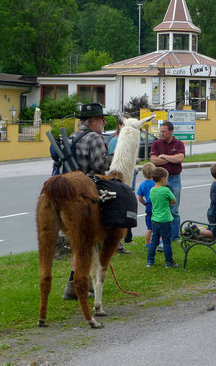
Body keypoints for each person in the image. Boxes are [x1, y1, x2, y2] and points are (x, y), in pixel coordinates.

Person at [63, 103, 114, 300]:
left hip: (67, 193)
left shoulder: (71, 137)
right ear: (93, 121)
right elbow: (101, 165)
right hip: (85, 194)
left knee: (79, 242)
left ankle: (74, 283)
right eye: (101, 119)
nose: (103, 122)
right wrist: (112, 157)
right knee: (85, 242)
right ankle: (77, 285)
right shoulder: (95, 138)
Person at [150, 121, 185, 241]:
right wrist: (171, 159)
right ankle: (163, 236)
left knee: (174, 209)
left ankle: (175, 236)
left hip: (175, 179)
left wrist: (163, 156)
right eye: (161, 131)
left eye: (164, 131)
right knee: (160, 209)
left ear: (171, 131)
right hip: (160, 180)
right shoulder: (156, 143)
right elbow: (154, 160)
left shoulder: (179, 143)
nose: (161, 134)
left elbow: (180, 158)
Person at [108, 117, 139, 245]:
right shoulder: (116, 141)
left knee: (126, 205)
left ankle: (126, 237)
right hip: (118, 177)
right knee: (123, 205)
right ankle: (123, 238)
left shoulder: (119, 139)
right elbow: (113, 157)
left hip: (125, 174)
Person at [147, 167, 178, 268]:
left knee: (154, 241)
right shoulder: (165, 190)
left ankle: (150, 261)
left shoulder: (152, 190)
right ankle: (169, 262)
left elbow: (153, 201)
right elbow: (174, 200)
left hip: (155, 219)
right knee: (166, 241)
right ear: (163, 179)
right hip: (165, 220)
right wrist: (167, 203)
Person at [137, 163, 156, 249]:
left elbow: (140, 198)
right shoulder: (156, 183)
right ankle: (160, 242)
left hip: (148, 206)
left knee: (149, 227)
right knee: (159, 225)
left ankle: (147, 244)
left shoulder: (142, 184)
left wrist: (145, 203)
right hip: (156, 205)